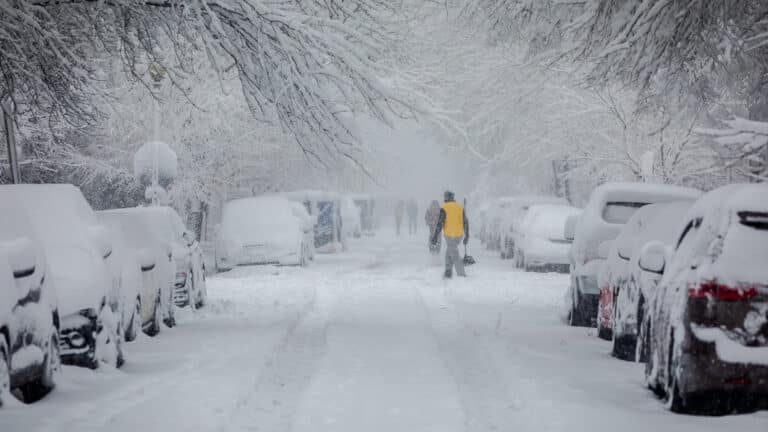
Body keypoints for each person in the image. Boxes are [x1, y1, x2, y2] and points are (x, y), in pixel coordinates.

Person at [430, 191, 469, 278]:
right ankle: (448, 271)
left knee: (454, 255)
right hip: (459, 235)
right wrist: (467, 235)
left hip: (450, 235)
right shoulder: (460, 207)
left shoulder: (444, 208)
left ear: (448, 197)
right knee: (449, 251)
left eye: (445, 196)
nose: (444, 198)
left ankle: (462, 274)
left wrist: (435, 236)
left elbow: (440, 223)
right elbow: (465, 222)